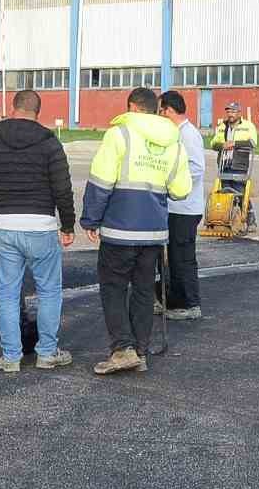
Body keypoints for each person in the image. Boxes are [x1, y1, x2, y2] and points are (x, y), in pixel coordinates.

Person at [80, 87, 193, 375]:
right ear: (155, 108)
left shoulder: (120, 133)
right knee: (143, 290)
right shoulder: (174, 141)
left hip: (119, 228)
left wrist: (90, 220)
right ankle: (140, 351)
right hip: (154, 231)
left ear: (132, 106)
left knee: (114, 288)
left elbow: (101, 181)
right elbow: (181, 190)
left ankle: (122, 349)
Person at [0, 89, 75, 374]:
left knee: (8, 294)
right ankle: (47, 353)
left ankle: (11, 356)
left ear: (13, 108)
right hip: (41, 227)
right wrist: (68, 225)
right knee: (49, 292)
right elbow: (62, 188)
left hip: (5, 227)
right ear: (38, 111)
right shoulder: (49, 142)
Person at [159, 90, 207, 320]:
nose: (160, 115)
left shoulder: (189, 135)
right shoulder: (175, 133)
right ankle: (172, 299)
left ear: (169, 110)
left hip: (185, 208)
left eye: (161, 110)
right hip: (173, 207)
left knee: (182, 257)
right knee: (172, 258)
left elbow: (196, 168)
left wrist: (172, 185)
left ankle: (190, 304)